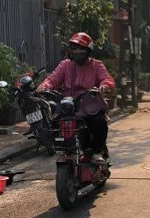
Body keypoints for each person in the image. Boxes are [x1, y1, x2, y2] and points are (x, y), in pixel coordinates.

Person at [38, 32, 115, 162]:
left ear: (88, 50)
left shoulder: (97, 65)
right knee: (54, 122)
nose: (77, 52)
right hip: (69, 106)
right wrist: (44, 86)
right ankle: (64, 149)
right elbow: (52, 80)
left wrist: (105, 85)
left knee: (99, 122)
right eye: (74, 48)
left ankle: (96, 151)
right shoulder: (65, 65)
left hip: (90, 106)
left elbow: (107, 79)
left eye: (81, 49)